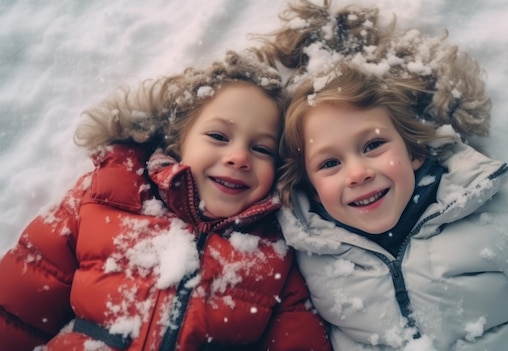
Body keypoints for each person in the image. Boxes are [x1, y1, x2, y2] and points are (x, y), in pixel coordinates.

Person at [260, 1, 508, 350]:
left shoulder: (499, 211)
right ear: (310, 185)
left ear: (414, 151)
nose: (357, 173)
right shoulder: (311, 250)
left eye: (372, 146)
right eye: (329, 164)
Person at [0, 50, 332, 351]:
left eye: (261, 149)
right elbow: (21, 304)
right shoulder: (110, 191)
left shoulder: (275, 247)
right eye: (218, 136)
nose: (239, 157)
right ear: (179, 140)